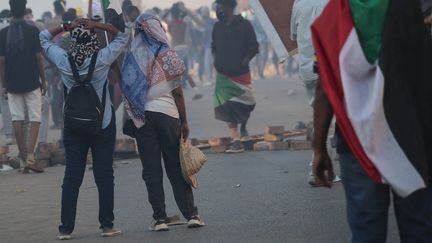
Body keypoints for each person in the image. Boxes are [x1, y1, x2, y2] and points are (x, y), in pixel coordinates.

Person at [312, 0, 432, 242]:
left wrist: (319, 148)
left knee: (366, 233)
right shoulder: (413, 7)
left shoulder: (337, 10)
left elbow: (325, 87)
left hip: (358, 142)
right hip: (412, 140)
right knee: (419, 230)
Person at [40, 18, 129, 240]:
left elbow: (42, 37)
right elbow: (122, 36)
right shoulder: (101, 58)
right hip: (102, 123)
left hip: (73, 126)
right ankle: (107, 226)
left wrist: (64, 27)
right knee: (104, 175)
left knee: (72, 176)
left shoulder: (62, 59)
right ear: (92, 42)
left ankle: (65, 229)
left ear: (72, 43)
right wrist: (97, 25)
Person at [122, 13, 205, 232]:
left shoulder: (133, 55)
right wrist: (184, 122)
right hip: (168, 116)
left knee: (151, 170)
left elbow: (127, 87)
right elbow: (178, 92)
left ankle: (159, 218)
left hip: (143, 117)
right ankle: (192, 215)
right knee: (175, 166)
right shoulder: (168, 54)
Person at [290, 0, 341, 187]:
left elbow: (294, 36)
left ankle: (318, 162)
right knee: (334, 118)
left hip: (307, 69)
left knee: (319, 112)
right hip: (331, 67)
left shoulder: (299, 4)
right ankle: (319, 164)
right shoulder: (335, 3)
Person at [0, 0, 47, 173]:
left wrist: (3, 83)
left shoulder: (3, 33)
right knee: (35, 118)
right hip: (31, 80)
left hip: (12, 82)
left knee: (17, 118)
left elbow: (2, 61)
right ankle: (30, 158)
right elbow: (39, 58)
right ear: (24, 10)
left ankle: (22, 158)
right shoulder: (32, 30)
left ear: (11, 11)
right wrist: (44, 80)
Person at [212, 0, 259, 153]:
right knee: (227, 107)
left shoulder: (245, 25)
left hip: (241, 74)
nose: (218, 9)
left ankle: (244, 126)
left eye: (220, 7)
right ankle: (236, 140)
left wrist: (243, 61)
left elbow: (254, 47)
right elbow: (213, 46)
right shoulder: (217, 26)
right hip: (223, 76)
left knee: (248, 103)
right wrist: (215, 61)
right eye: (217, 7)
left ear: (229, 7)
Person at [166, 2, 203, 100]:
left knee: (175, 72)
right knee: (183, 72)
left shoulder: (171, 24)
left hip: (177, 49)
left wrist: (170, 9)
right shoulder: (184, 23)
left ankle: (174, 94)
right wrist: (184, 9)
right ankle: (196, 91)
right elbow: (197, 20)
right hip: (185, 48)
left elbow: (164, 18)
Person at [0, 9, 13, 145]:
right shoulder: (11, 28)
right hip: (13, 68)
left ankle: (9, 134)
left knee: (4, 102)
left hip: (1, 69)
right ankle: (15, 132)